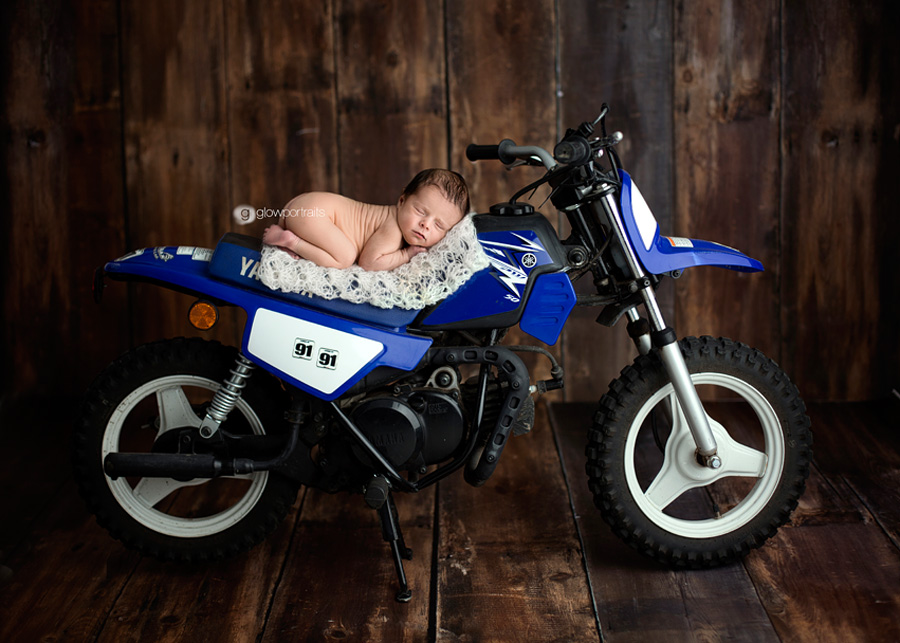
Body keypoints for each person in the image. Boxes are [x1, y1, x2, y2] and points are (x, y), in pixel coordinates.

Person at [262, 168, 469, 271]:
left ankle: (293, 238)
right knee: (344, 257)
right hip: (315, 213)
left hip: (306, 207)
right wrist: (406, 254)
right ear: (402, 200)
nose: (426, 224)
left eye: (439, 225)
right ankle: (291, 240)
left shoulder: (393, 219)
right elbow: (369, 263)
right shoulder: (393, 230)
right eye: (420, 211)